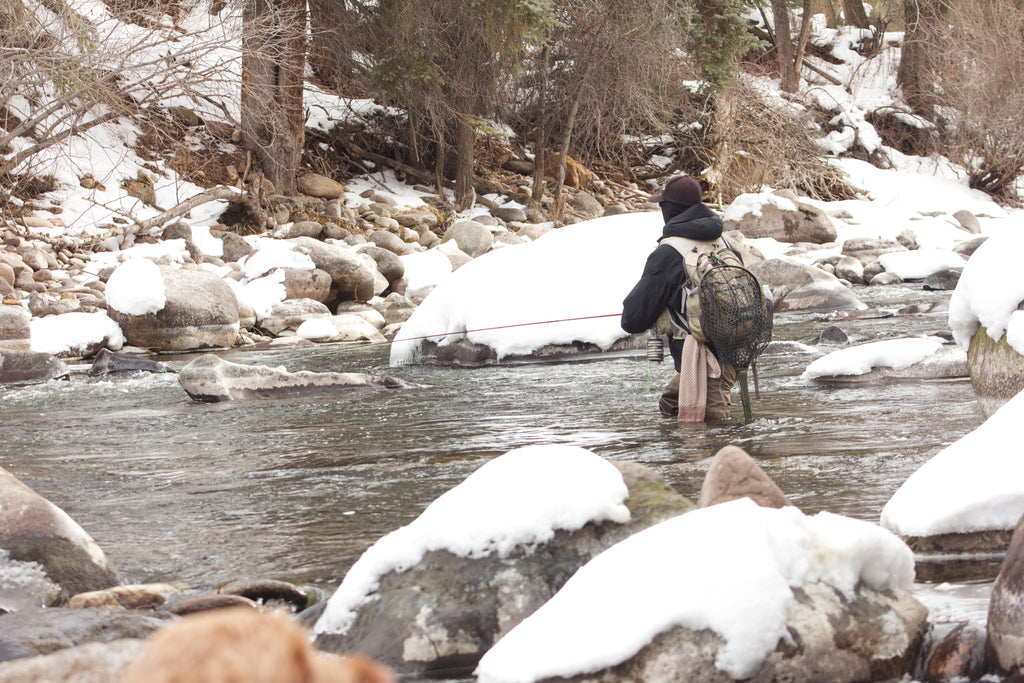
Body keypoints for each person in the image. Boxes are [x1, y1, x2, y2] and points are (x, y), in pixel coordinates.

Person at [620, 174, 740, 422]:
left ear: (669, 211)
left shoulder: (669, 253)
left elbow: (633, 320)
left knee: (709, 437)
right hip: (740, 347)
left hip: (706, 360)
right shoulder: (723, 241)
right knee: (671, 403)